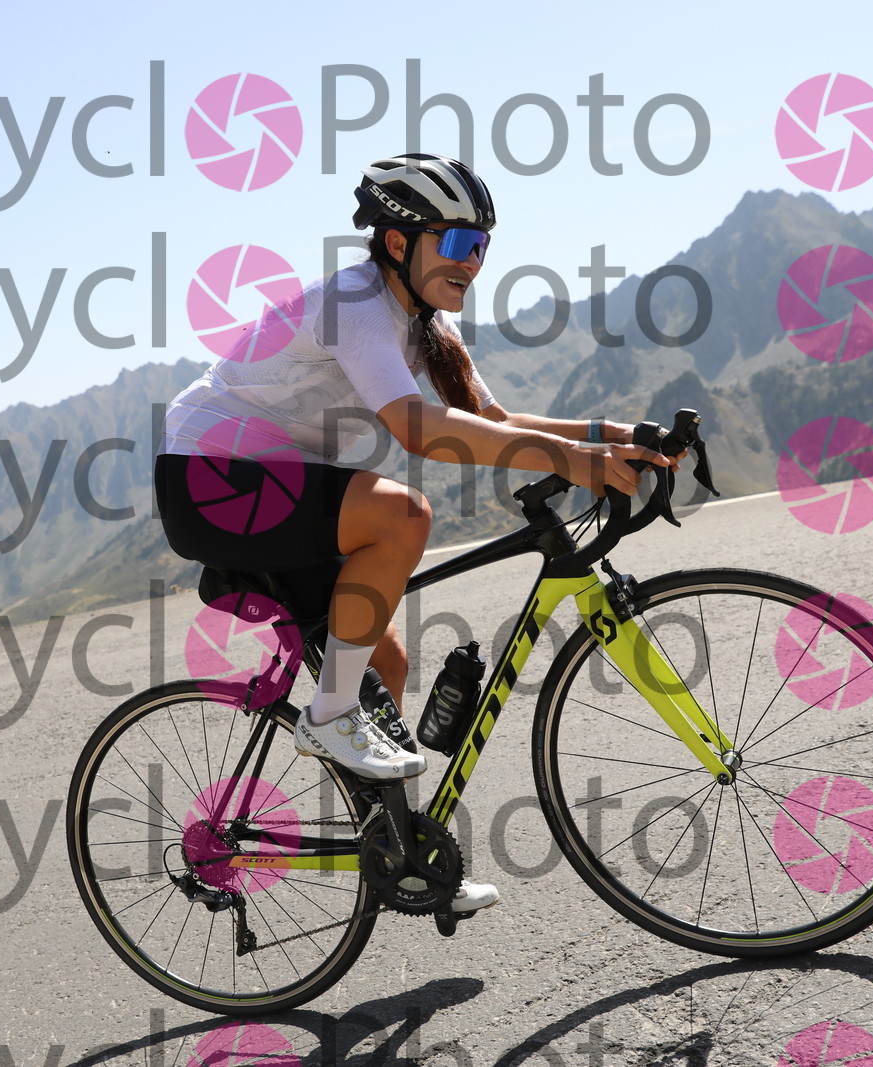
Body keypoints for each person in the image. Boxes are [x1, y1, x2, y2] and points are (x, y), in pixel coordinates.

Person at [155, 153, 672, 913]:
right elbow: (418, 429)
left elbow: (494, 421)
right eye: (457, 243)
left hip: (273, 484)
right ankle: (329, 718)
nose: (473, 262)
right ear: (398, 242)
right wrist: (569, 461)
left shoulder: (423, 325)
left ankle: (400, 854)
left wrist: (615, 436)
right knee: (403, 514)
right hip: (210, 479)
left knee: (383, 661)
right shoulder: (357, 304)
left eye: (482, 246)